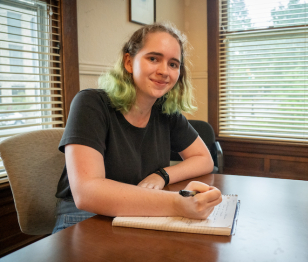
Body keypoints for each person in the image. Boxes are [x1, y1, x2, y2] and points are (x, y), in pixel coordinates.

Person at [52, 23, 222, 233]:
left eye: (173, 64)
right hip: (85, 219)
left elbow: (205, 159)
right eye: (153, 58)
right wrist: (177, 203)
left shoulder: (166, 112)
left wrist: (162, 175)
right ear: (129, 62)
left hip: (140, 214)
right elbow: (87, 193)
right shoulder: (90, 103)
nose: (164, 71)